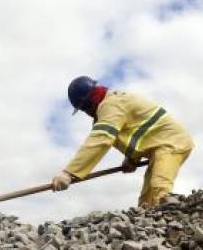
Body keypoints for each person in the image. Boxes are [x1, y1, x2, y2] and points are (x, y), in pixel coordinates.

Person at [52, 76, 194, 208]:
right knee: (147, 202)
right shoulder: (108, 108)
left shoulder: (111, 105)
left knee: (160, 189)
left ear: (88, 102)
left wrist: (69, 172)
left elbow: (101, 140)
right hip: (159, 146)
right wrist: (132, 159)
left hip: (172, 141)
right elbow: (138, 134)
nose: (85, 112)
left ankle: (174, 211)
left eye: (84, 108)